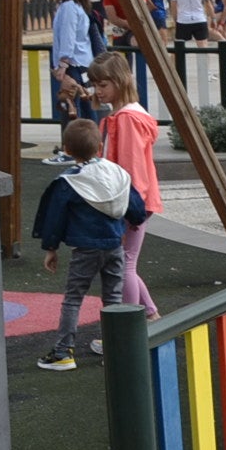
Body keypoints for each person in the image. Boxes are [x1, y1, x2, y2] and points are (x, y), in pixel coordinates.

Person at [33, 118, 148, 371]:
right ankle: (115, 350)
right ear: (99, 146)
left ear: (67, 149)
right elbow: (134, 202)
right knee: (113, 298)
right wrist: (136, 219)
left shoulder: (69, 181)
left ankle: (63, 352)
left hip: (85, 248)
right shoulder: (115, 172)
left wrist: (50, 247)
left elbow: (55, 217)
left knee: (74, 298)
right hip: (114, 245)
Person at [88, 54, 162, 316]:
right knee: (124, 262)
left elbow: (133, 169)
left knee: (123, 264)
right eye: (95, 84)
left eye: (103, 84)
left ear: (119, 81)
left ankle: (132, 325)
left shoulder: (126, 119)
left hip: (130, 202)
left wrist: (131, 207)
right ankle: (149, 314)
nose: (98, 90)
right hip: (129, 200)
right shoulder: (121, 116)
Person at [49, 0, 96, 130]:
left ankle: (74, 146)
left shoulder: (69, 7)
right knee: (85, 105)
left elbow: (68, 37)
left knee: (70, 106)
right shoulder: (74, 6)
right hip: (82, 62)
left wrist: (62, 64)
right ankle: (90, 143)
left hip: (73, 64)